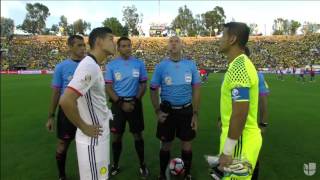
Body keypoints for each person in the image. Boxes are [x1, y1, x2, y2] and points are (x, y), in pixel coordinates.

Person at [59, 27, 115, 180]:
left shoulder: (94, 65)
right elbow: (66, 100)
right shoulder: (89, 66)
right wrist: (84, 127)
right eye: (111, 39)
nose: (114, 43)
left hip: (99, 137)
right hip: (92, 141)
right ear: (99, 42)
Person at [150, 36, 201, 180]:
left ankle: (187, 174)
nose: (173, 43)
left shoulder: (190, 65)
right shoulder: (161, 66)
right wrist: (157, 111)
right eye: (170, 41)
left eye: (176, 41)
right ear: (167, 46)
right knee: (165, 145)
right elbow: (153, 89)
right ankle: (162, 174)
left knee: (187, 145)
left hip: (186, 111)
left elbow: (197, 89)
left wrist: (195, 114)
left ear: (181, 45)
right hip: (167, 113)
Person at [217, 22, 262, 180]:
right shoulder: (238, 65)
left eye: (223, 35)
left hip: (240, 144)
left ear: (232, 39)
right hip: (239, 141)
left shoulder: (239, 68)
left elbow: (240, 113)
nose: (220, 39)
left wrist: (228, 151)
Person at [104, 37, 149, 178]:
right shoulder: (111, 65)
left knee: (138, 135)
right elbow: (109, 87)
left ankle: (142, 165)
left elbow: (143, 85)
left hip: (135, 104)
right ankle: (115, 165)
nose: (127, 48)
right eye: (123, 46)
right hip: (118, 105)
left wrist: (134, 101)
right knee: (117, 136)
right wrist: (121, 104)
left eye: (129, 45)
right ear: (118, 48)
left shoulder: (139, 64)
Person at [46, 35, 86, 180]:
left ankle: (88, 174)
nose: (83, 48)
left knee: (88, 144)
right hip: (67, 110)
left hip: (86, 111)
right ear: (70, 47)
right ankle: (62, 175)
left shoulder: (90, 65)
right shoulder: (61, 67)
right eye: (79, 45)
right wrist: (51, 116)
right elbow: (56, 92)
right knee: (63, 143)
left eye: (84, 45)